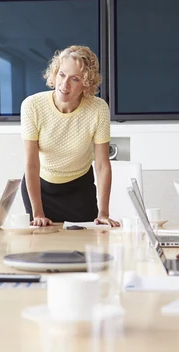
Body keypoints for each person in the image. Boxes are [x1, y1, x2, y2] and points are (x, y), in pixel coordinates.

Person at [20, 45, 118, 227]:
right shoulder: (32, 105)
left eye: (75, 79)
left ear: (86, 84)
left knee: (85, 250)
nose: (65, 85)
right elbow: (32, 164)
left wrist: (103, 212)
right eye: (62, 74)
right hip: (41, 191)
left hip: (79, 190)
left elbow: (103, 165)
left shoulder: (98, 108)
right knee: (42, 249)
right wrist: (38, 213)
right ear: (55, 73)